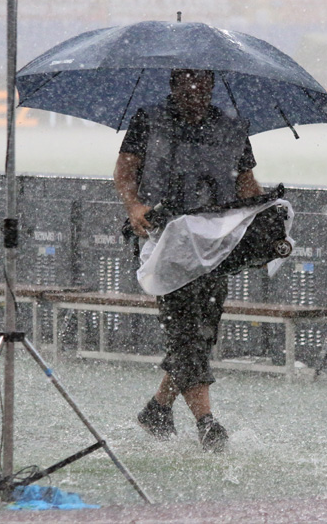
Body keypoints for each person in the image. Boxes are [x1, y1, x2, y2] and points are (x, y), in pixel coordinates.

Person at [113, 69, 263, 453]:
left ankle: (158, 408)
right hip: (165, 241)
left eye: (203, 84)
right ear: (173, 85)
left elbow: (246, 183)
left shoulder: (231, 128)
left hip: (215, 244)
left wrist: (262, 212)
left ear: (212, 87)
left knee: (204, 330)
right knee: (185, 330)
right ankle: (207, 423)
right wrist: (134, 206)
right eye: (187, 83)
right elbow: (125, 171)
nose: (196, 92)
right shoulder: (148, 120)